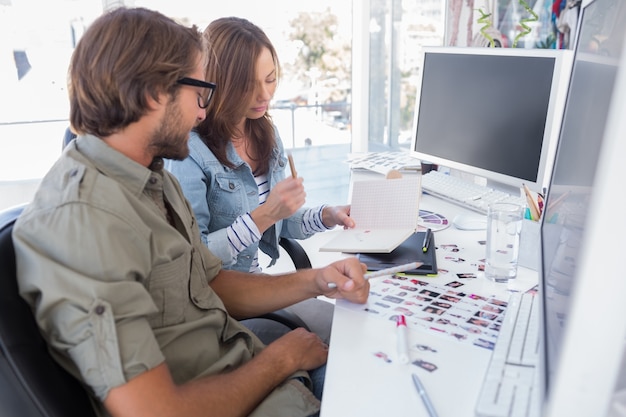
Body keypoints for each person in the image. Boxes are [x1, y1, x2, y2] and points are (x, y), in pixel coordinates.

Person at [12, 7, 369, 417]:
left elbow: (209, 281)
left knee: (381, 358)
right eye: (199, 95)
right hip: (245, 394)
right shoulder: (83, 223)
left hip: (244, 367)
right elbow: (157, 411)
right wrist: (280, 361)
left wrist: (318, 280)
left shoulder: (151, 175)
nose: (203, 112)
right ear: (152, 94)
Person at [165, 17, 354, 344]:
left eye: (271, 79)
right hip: (219, 303)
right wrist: (266, 214)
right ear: (219, 82)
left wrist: (328, 216)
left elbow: (283, 224)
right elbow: (197, 258)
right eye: (250, 86)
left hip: (260, 286)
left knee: (355, 325)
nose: (264, 94)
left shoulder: (265, 132)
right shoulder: (189, 151)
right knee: (342, 337)